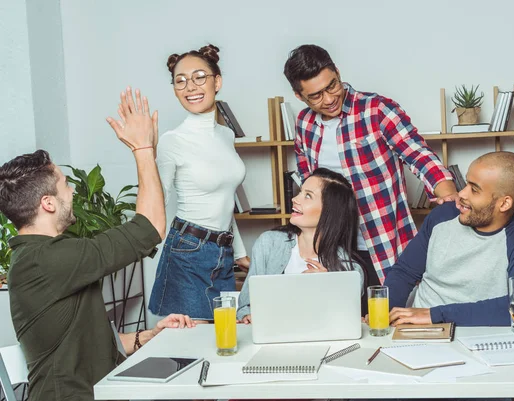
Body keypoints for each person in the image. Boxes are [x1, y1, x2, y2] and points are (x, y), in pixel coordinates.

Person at [0, 88, 198, 401]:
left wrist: (148, 336)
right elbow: (150, 228)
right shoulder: (49, 260)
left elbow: (84, 345)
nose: (73, 193)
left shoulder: (41, 257)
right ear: (48, 203)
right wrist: (143, 149)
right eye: (66, 185)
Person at [283, 44, 458, 299]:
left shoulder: (376, 109)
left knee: (384, 322)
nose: (329, 99)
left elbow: (417, 154)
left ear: (338, 72)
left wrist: (447, 194)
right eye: (316, 96)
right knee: (337, 320)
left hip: (381, 242)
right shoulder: (305, 123)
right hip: (332, 247)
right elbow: (307, 177)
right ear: (300, 96)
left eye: (332, 85)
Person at [382, 151, 514, 326]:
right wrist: (383, 314)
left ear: (504, 203)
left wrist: (436, 315)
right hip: (420, 332)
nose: (461, 194)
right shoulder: (443, 215)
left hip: (474, 336)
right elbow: (404, 272)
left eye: (474, 190)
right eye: (465, 184)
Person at [148, 44, 249, 320]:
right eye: (180, 81)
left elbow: (226, 200)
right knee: (191, 342)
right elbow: (157, 199)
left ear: (217, 81)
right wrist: (143, 152)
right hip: (187, 252)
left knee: (223, 337)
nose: (190, 86)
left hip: (223, 252)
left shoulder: (226, 135)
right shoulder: (173, 141)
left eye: (199, 77)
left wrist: (239, 252)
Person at [237, 168, 365, 322]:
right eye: (300, 192)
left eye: (308, 196)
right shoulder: (268, 244)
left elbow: (348, 322)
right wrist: (247, 316)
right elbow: (245, 305)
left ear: (329, 212)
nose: (295, 199)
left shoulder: (351, 271)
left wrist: (329, 285)